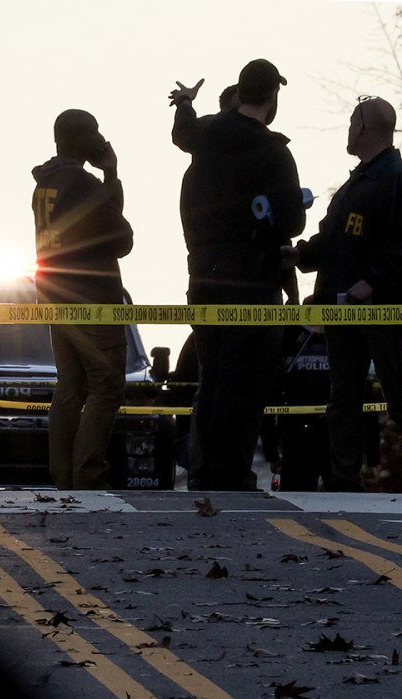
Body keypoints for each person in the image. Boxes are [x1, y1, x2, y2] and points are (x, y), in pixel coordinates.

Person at [169, 58, 306, 491]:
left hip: (203, 277)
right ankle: (231, 472)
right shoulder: (272, 151)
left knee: (212, 374)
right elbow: (292, 221)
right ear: (273, 96)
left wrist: (185, 103)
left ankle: (204, 469)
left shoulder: (206, 134)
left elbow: (181, 133)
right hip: (251, 281)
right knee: (246, 380)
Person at [282, 95, 402, 492]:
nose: (349, 131)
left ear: (364, 127)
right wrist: (301, 254)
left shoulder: (394, 178)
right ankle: (345, 480)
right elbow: (334, 239)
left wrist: (373, 282)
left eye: (352, 123)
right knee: (343, 398)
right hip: (341, 309)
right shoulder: (354, 185)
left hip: (382, 310)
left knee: (399, 394)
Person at [31, 109, 134, 490]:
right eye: (95, 132)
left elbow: (104, 219)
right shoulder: (82, 184)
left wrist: (108, 178)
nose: (101, 139)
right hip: (91, 298)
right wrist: (111, 175)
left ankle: (63, 476)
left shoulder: (47, 183)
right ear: (80, 139)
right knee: (106, 385)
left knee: (70, 387)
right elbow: (121, 236)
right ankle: (87, 475)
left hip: (54, 294)